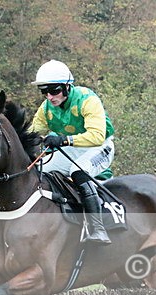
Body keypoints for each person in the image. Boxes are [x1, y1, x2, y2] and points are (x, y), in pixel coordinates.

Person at [29, 60, 115, 245]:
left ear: (67, 87)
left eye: (54, 90)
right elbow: (32, 132)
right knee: (39, 171)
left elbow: (97, 136)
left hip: (99, 146)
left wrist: (63, 140)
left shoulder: (87, 100)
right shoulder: (46, 108)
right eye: (44, 92)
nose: (50, 97)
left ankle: (98, 229)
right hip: (72, 148)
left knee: (78, 171)